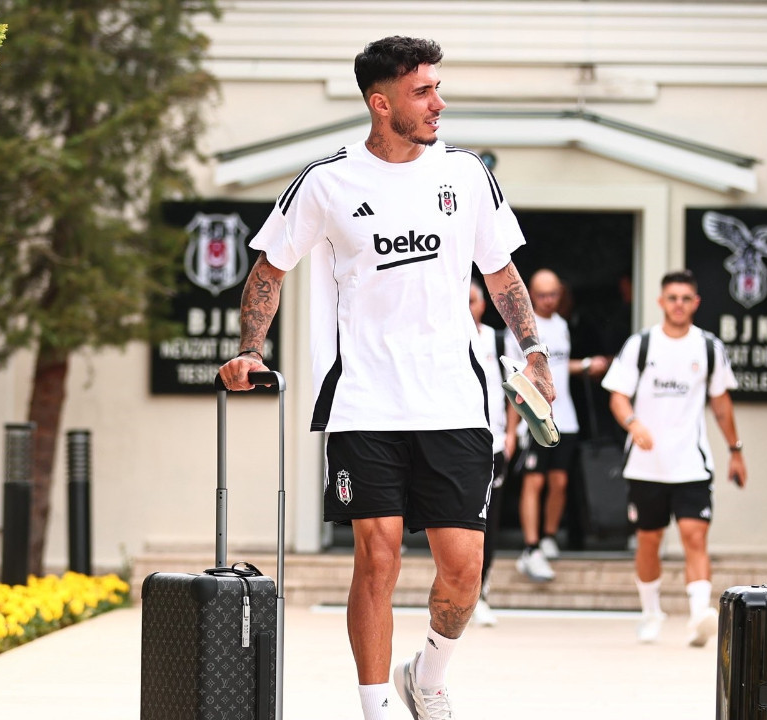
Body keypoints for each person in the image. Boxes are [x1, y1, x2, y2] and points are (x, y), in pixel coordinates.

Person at [217, 36, 554, 720]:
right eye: (422, 91)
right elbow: (268, 270)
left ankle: (426, 675)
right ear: (381, 103)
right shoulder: (327, 181)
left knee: (463, 569)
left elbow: (501, 273)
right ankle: (375, 709)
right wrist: (250, 349)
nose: (438, 102)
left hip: (455, 401)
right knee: (378, 557)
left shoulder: (466, 174)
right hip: (363, 401)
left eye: (437, 88)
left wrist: (534, 349)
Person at [601, 269, 746, 646]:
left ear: (695, 303)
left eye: (685, 298)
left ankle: (699, 617)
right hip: (646, 465)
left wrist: (735, 450)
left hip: (690, 463)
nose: (678, 304)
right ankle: (651, 613)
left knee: (694, 537)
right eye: (672, 298)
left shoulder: (709, 347)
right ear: (661, 302)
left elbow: (721, 404)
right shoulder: (641, 344)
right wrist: (633, 424)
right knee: (649, 540)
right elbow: (617, 395)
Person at [503, 269, 609, 581]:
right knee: (534, 481)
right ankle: (531, 546)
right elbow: (514, 381)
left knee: (559, 481)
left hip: (566, 417)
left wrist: (586, 365)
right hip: (534, 416)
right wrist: (512, 429)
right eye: (542, 295)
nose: (549, 300)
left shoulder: (561, 325)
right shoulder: (520, 329)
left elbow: (558, 365)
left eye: (554, 294)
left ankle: (548, 535)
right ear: (531, 295)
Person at [468, 279, 506, 628]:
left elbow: (514, 388)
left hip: (494, 443)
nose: (467, 306)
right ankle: (458, 592)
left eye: (472, 300)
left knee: (488, 521)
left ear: (483, 304)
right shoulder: (439, 337)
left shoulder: (499, 340)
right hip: (453, 444)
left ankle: (480, 592)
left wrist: (514, 434)